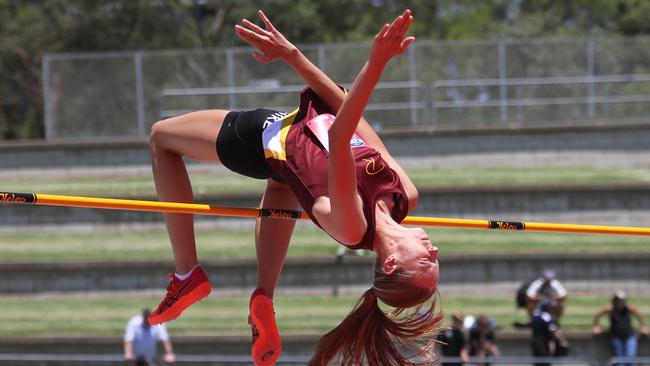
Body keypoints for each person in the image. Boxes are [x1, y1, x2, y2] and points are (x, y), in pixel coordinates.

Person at [147, 9, 440, 366]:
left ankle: (187, 271)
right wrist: (290, 54)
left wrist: (376, 64)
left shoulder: (353, 227)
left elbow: (340, 133)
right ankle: (263, 297)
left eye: (427, 261)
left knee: (162, 136)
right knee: (285, 185)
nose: (435, 249)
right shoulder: (405, 194)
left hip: (266, 138)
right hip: (292, 149)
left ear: (391, 263)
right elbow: (351, 115)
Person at [593, 290, 649, 366]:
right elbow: (598, 314)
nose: (621, 302)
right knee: (619, 362)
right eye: (619, 300)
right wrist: (596, 326)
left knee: (630, 359)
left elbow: (638, 314)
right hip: (616, 337)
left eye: (622, 300)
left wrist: (643, 327)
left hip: (629, 336)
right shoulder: (611, 309)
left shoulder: (628, 308)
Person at [530, 300, 569, 366]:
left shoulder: (536, 314)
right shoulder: (546, 316)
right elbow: (552, 330)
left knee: (537, 362)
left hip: (535, 342)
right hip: (544, 343)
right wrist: (562, 341)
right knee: (545, 362)